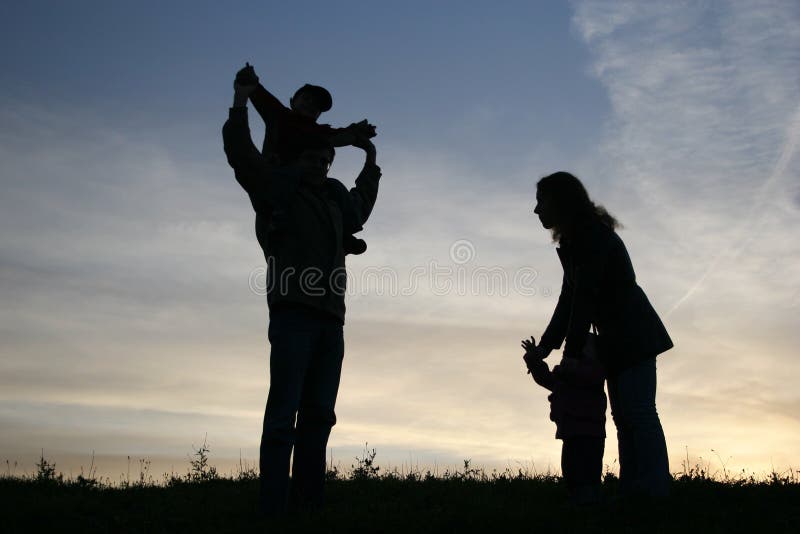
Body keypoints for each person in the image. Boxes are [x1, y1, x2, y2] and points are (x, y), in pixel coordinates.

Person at [222, 69, 382, 516]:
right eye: (311, 159)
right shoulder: (279, 190)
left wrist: (370, 164)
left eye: (325, 161)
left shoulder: (333, 199)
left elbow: (359, 209)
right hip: (293, 312)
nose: (319, 165)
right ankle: (273, 507)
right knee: (282, 418)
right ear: (297, 159)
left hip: (332, 320)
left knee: (319, 417)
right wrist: (240, 101)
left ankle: (309, 504)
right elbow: (241, 155)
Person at [528, 171, 673, 498]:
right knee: (625, 415)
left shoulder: (591, 237)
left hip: (633, 334)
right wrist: (548, 346)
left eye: (541, 201)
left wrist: (571, 349)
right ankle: (637, 488)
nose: (536, 210)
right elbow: (570, 296)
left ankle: (653, 488)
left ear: (561, 202)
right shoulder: (578, 239)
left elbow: (584, 296)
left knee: (638, 412)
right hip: (616, 337)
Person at [236, 63, 376, 255]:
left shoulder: (319, 132)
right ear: (293, 101)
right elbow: (263, 99)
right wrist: (252, 83)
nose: (311, 105)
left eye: (317, 106)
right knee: (290, 175)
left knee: (335, 187)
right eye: (307, 99)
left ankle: (345, 232)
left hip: (310, 184)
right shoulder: (280, 116)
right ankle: (279, 217)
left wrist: (358, 132)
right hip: (280, 178)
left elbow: (340, 135)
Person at [522, 335, 606, 504]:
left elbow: (562, 377)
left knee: (588, 475)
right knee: (572, 474)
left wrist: (565, 369)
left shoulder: (593, 372)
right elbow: (545, 378)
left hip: (589, 435)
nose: (571, 351)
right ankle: (580, 503)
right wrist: (534, 360)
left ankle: (590, 504)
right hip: (572, 433)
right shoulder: (567, 374)